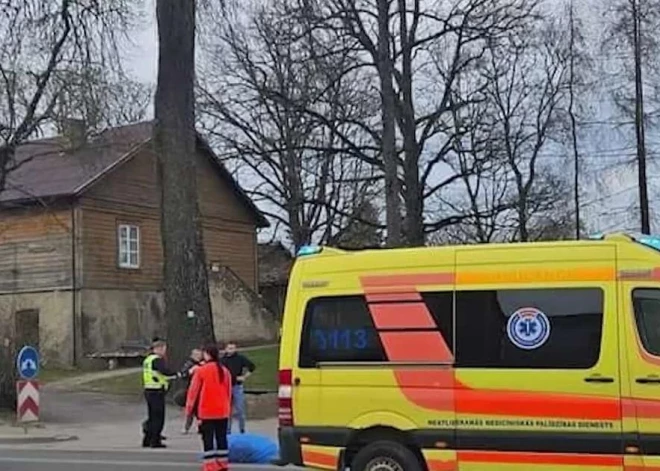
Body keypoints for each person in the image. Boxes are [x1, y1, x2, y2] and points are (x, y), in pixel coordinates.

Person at [186, 344, 232, 471]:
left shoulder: (201, 370)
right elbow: (228, 391)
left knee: (208, 438)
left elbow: (193, 392)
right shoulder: (224, 371)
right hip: (222, 410)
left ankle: (210, 464)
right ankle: (223, 463)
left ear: (207, 354)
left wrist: (189, 409)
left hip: (206, 410)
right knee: (221, 437)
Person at [142, 338, 182, 448]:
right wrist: (178, 374)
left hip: (149, 390)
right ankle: (155, 441)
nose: (164, 351)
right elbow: (165, 372)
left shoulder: (148, 360)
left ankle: (147, 439)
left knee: (152, 416)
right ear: (158, 348)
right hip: (157, 391)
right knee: (158, 417)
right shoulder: (157, 360)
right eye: (163, 349)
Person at [220, 341, 256, 434]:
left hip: (237, 386)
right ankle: (227, 430)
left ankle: (242, 429)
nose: (231, 350)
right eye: (229, 348)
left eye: (233, 348)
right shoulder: (222, 360)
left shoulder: (240, 358)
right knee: (227, 410)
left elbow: (252, 367)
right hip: (226, 387)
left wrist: (244, 376)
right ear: (225, 349)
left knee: (240, 409)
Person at [180, 348, 204, 434]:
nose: (199, 357)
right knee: (190, 409)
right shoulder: (189, 364)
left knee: (200, 409)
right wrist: (190, 371)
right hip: (191, 389)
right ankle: (186, 427)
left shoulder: (203, 363)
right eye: (196, 355)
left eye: (200, 355)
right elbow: (183, 375)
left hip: (202, 389)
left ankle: (201, 427)